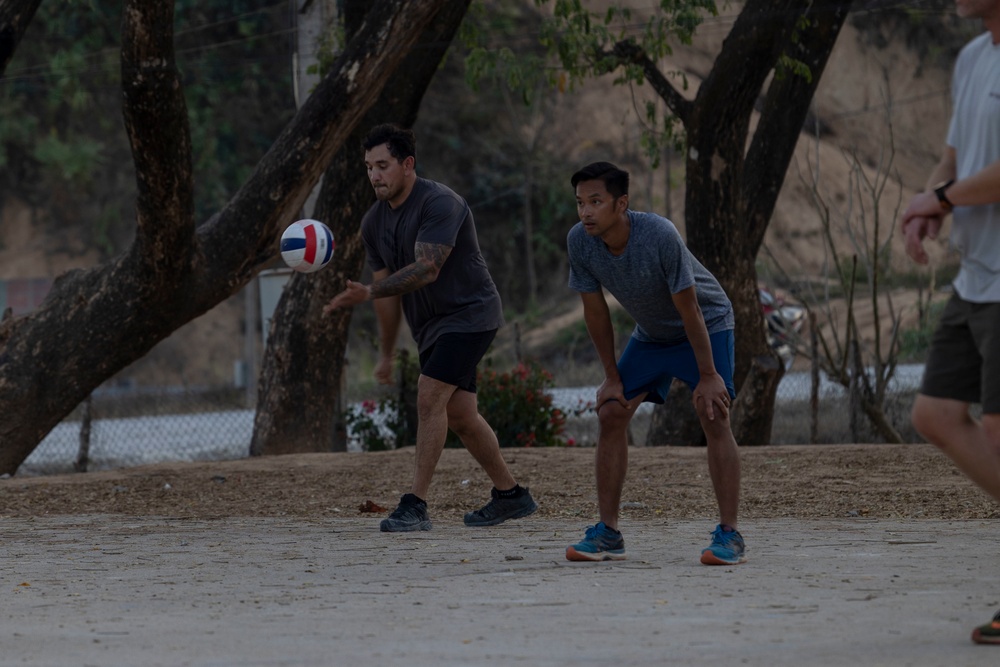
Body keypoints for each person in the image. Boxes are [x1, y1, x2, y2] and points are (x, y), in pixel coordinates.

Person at [324, 123, 537, 532]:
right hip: (431, 328)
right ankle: (511, 495)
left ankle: (415, 504)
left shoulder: (442, 203)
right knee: (459, 414)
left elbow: (427, 268)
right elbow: (387, 297)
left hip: (471, 315)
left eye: (382, 165)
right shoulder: (373, 223)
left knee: (428, 396)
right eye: (368, 167)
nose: (374, 176)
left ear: (407, 164)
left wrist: (368, 291)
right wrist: (386, 353)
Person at [563, 161, 745, 565]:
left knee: (712, 412)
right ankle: (608, 533)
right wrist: (612, 377)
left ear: (621, 203)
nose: (586, 212)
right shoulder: (580, 241)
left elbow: (691, 310)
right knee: (611, 412)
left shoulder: (659, 235)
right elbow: (595, 313)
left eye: (596, 201)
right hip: (652, 334)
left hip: (706, 323)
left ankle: (730, 535)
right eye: (580, 203)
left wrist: (709, 375)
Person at [900, 0, 1000, 646]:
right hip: (975, 274)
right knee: (934, 413)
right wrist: (930, 204)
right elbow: (957, 155)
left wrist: (939, 197)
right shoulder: (972, 56)